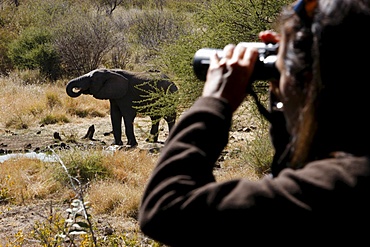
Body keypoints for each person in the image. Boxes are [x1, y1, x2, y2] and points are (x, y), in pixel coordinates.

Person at [138, 0, 370, 246]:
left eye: (281, 74)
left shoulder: (338, 188)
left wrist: (214, 102)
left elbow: (167, 208)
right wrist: (283, 83)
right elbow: (297, 170)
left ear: (308, 80)